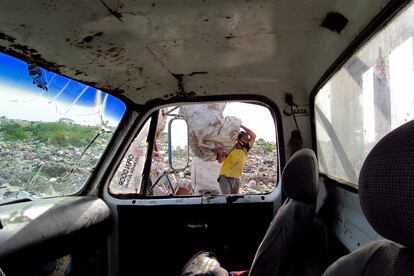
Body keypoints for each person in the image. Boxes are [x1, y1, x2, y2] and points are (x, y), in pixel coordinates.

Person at [216, 124, 256, 194]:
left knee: (234, 200)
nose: (245, 141)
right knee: (227, 198)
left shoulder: (245, 149)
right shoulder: (230, 148)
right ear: (238, 139)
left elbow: (253, 136)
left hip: (237, 179)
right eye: (244, 139)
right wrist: (219, 153)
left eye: (246, 139)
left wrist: (242, 126)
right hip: (225, 178)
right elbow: (220, 161)